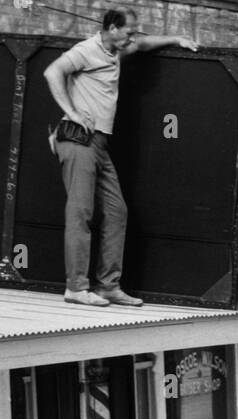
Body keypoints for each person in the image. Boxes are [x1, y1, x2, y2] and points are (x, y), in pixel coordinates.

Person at [44, 7, 197, 307]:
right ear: (112, 28)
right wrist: (72, 113)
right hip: (79, 141)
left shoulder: (116, 50)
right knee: (81, 213)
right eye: (128, 31)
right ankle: (75, 287)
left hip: (99, 144)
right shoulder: (86, 50)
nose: (132, 37)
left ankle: (107, 286)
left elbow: (142, 44)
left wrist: (178, 39)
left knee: (116, 212)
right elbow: (52, 72)